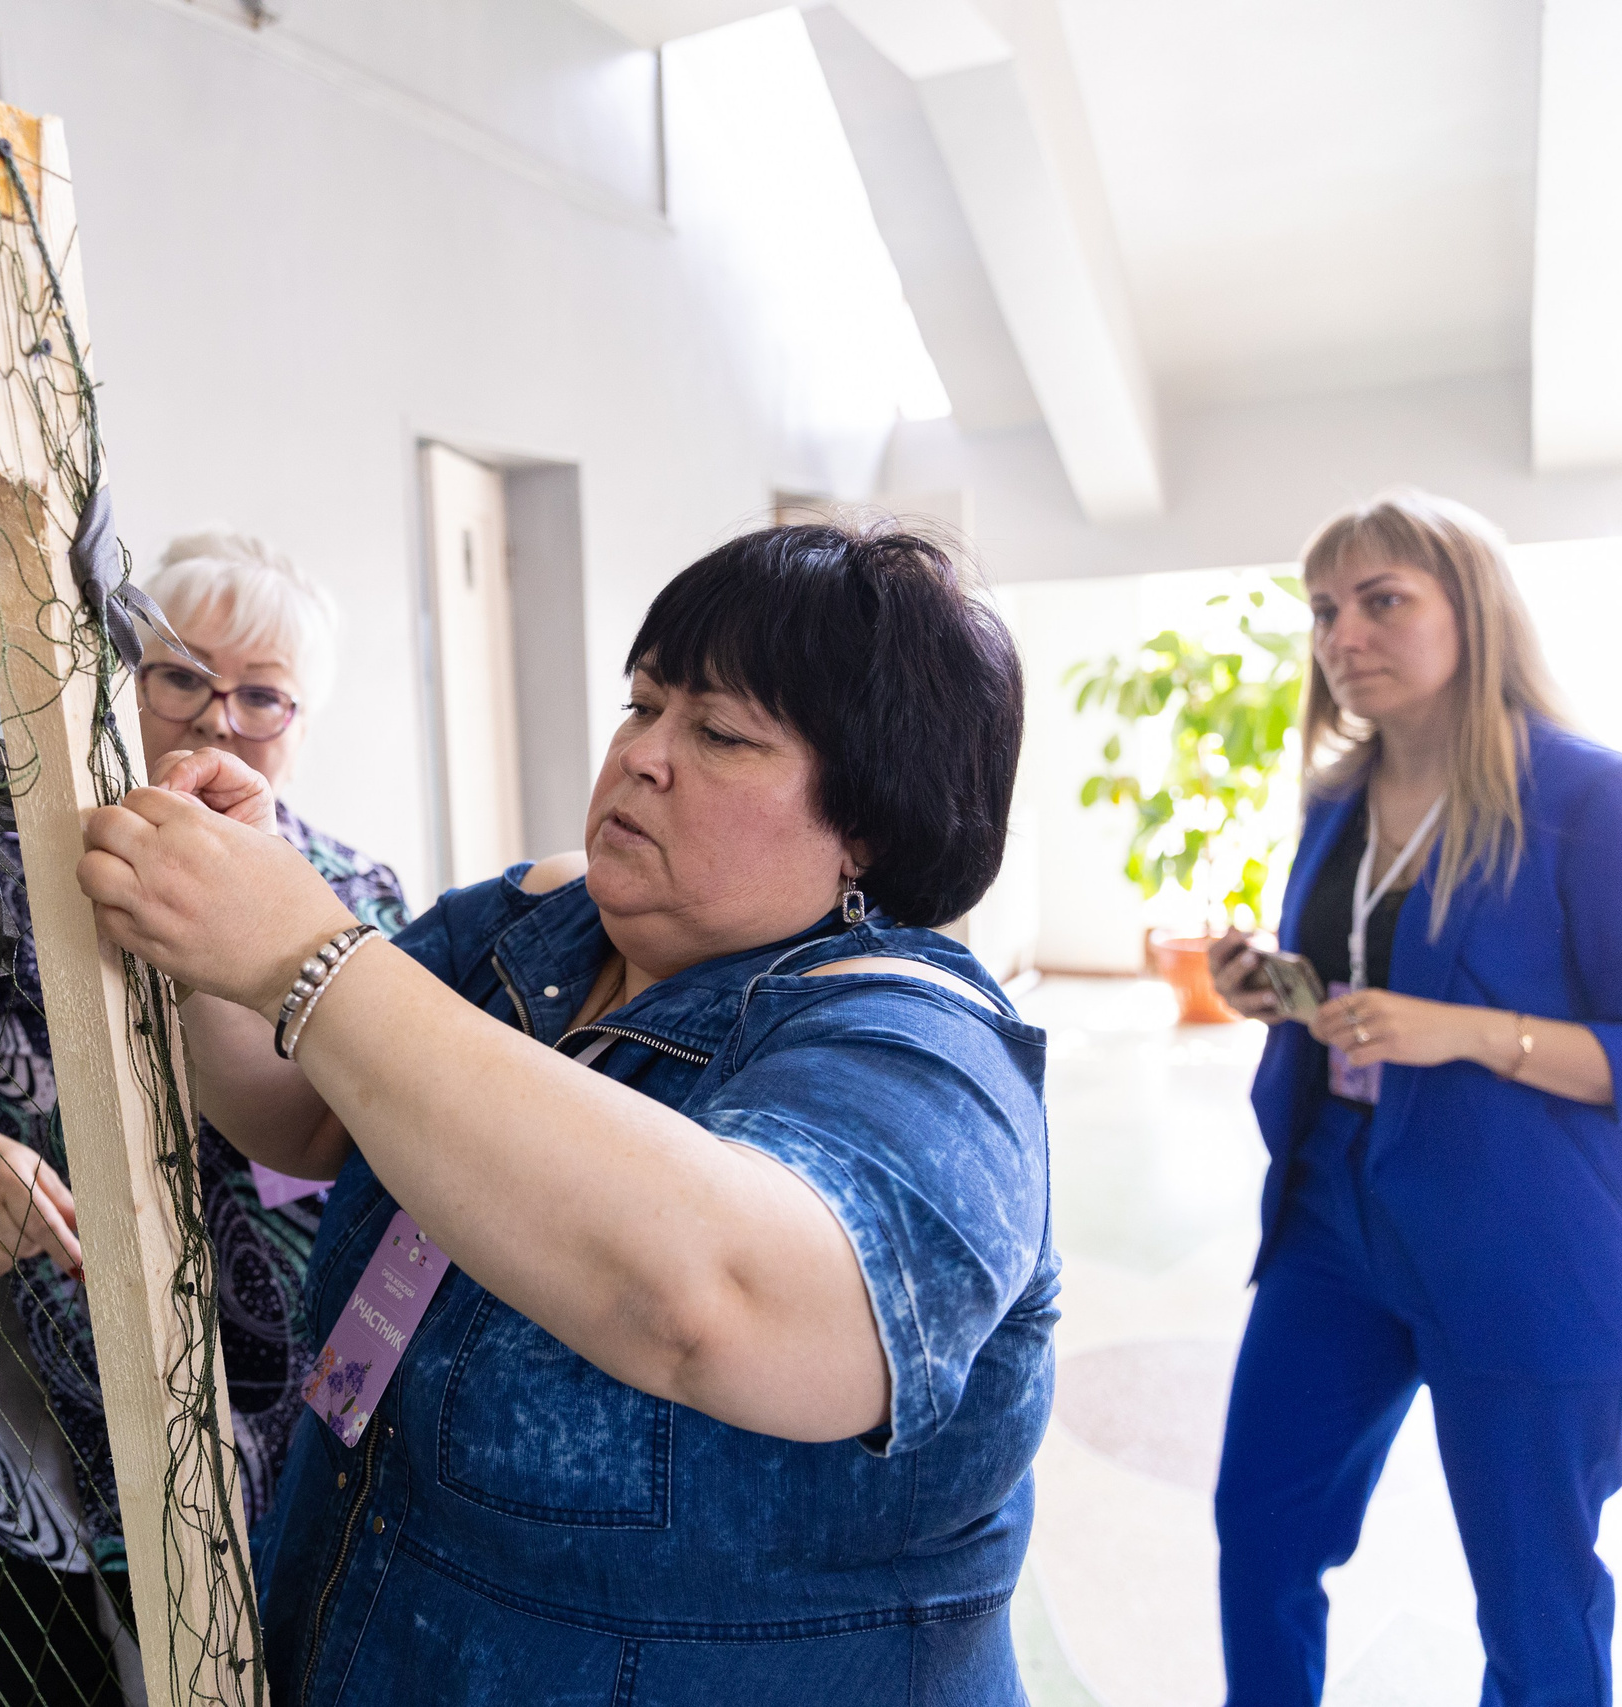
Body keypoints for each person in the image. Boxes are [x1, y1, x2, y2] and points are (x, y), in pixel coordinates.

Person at [78, 521, 1057, 1702]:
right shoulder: (537, 923)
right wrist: (218, 931)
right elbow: (306, 1117)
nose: (645, 756)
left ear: (872, 825)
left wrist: (314, 960)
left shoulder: (923, 1051)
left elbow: (721, 1300)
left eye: (723, 734)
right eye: (642, 707)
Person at [0, 532, 409, 1706]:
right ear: (117, 675)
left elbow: (370, 1163)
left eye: (263, 694)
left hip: (283, 1430)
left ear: (303, 718)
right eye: (181, 675)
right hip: (28, 1399)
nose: (217, 718)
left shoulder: (357, 898)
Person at [1207, 490, 1622, 1704]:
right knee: (1263, 1527)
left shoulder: (1585, 800)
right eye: (1326, 610)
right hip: (1332, 1222)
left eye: (1382, 601)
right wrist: (1267, 990)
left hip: (1517, 1247)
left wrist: (1472, 1035)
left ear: (1474, 611)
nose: (1343, 636)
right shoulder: (1336, 800)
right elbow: (1353, 991)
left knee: (1534, 1599)